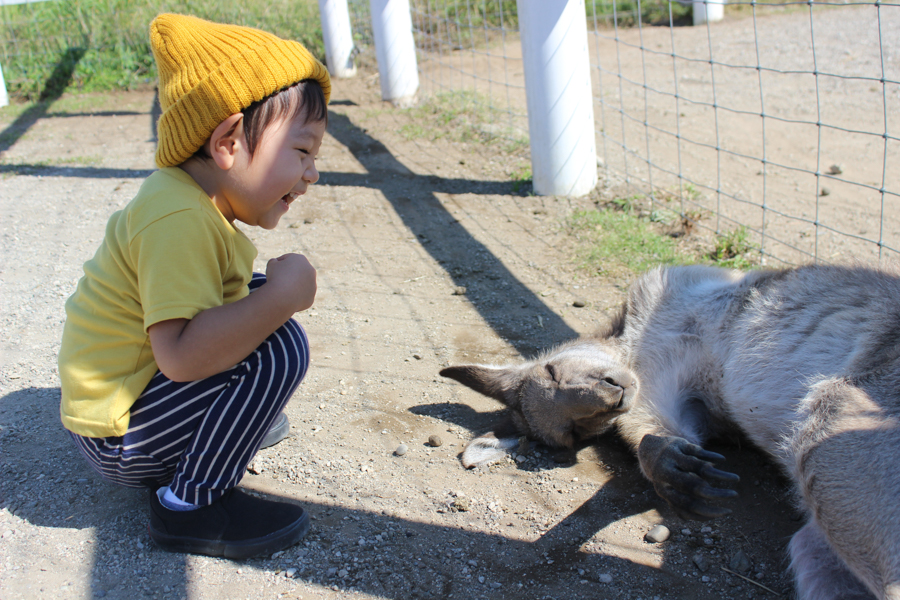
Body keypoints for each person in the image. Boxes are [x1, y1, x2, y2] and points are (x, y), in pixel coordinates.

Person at [57, 13, 331, 559]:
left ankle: (218, 429)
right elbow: (182, 359)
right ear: (228, 141)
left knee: (249, 299)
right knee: (279, 346)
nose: (311, 173)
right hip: (118, 438)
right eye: (302, 151)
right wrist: (283, 297)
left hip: (129, 408)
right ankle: (190, 506)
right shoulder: (178, 219)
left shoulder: (189, 203)